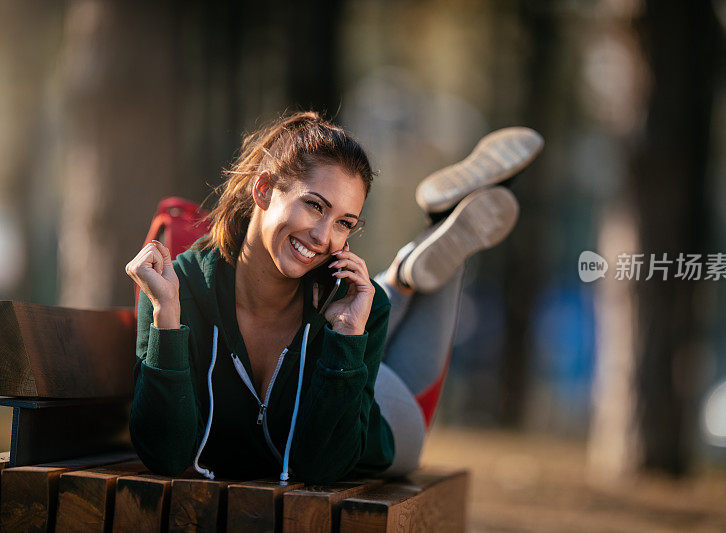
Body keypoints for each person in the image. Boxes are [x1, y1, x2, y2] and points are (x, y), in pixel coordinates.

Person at [125, 111, 543, 483]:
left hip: (363, 418)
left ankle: (418, 258)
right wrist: (167, 320)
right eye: (314, 205)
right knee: (387, 323)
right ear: (264, 189)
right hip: (345, 349)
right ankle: (413, 258)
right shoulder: (176, 292)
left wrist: (346, 338)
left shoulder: (357, 301)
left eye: (345, 222)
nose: (324, 238)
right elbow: (165, 456)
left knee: (387, 346)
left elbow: (325, 468)